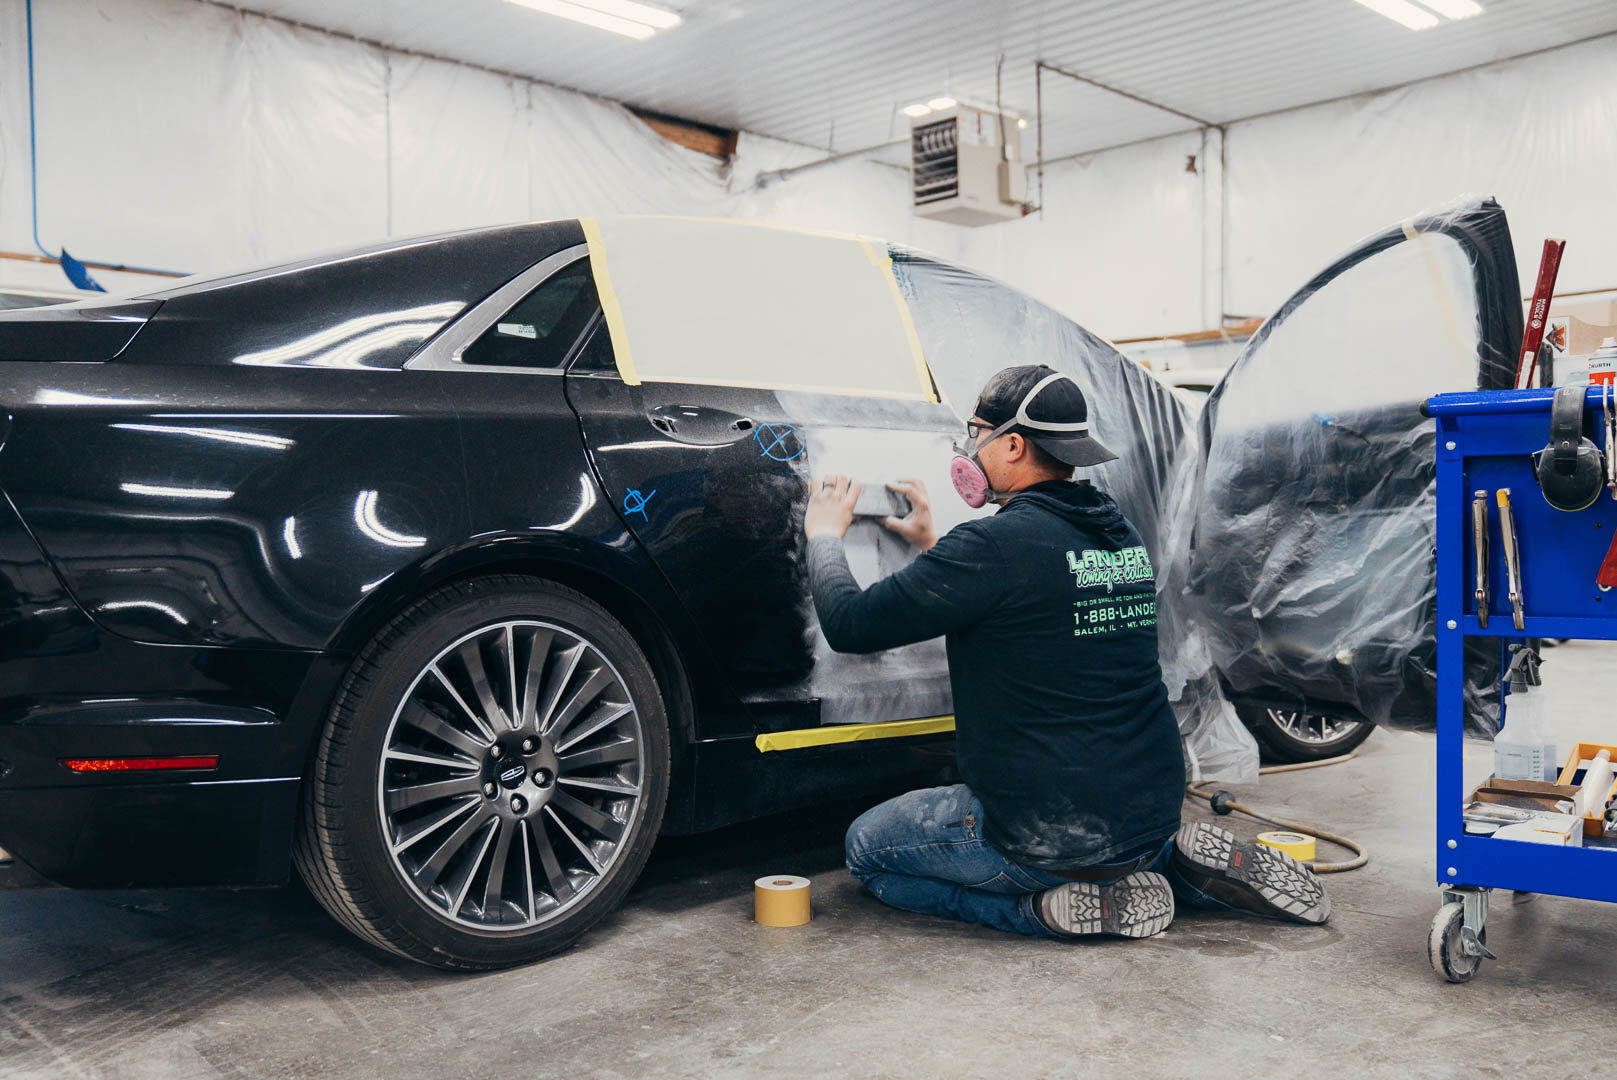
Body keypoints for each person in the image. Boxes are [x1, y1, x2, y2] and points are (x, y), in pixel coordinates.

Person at [801, 365, 1330, 939]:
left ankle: (1038, 909)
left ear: (1012, 443)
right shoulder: (1115, 532)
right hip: (1150, 809)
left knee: (867, 854)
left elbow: (851, 625)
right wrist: (934, 548)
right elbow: (1035, 595)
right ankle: (1173, 870)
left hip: (1044, 834)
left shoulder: (992, 547)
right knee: (1120, 846)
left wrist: (825, 535)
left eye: (975, 432)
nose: (969, 448)